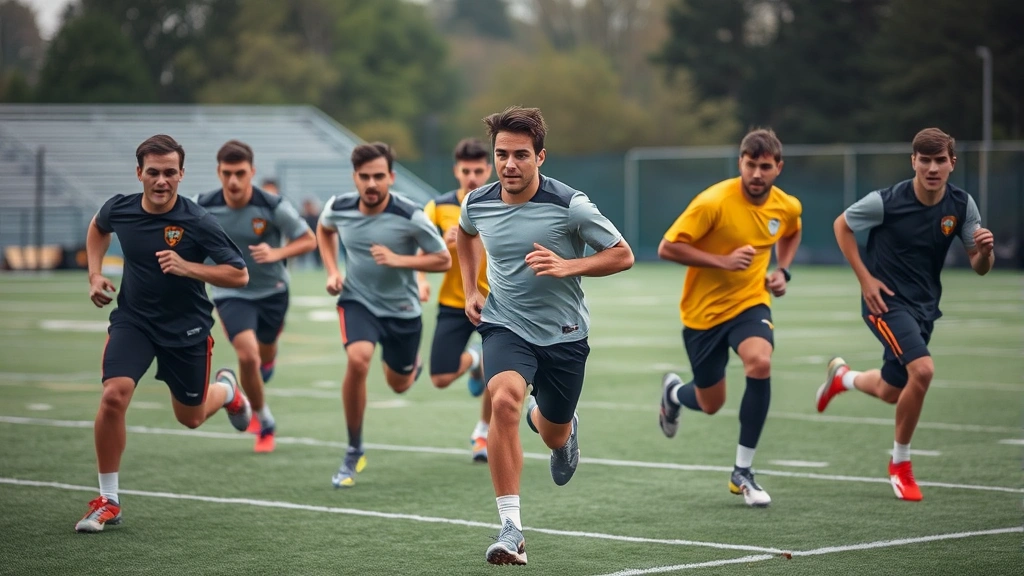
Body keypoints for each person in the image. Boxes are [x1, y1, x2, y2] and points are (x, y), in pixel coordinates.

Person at [457, 106, 634, 565]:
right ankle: (511, 528)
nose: (509, 165)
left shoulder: (570, 204)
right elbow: (464, 235)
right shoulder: (478, 201)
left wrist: (568, 265)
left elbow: (622, 255)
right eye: (501, 155)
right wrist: (469, 288)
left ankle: (563, 427)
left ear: (541, 157)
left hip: (565, 335)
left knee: (552, 434)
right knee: (502, 401)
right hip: (504, 324)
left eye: (520, 155)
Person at [76, 135, 252, 533]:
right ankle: (109, 500)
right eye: (153, 172)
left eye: (169, 172)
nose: (161, 181)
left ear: (181, 174)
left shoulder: (198, 221)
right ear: (139, 173)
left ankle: (227, 391)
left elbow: (239, 273)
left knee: (189, 418)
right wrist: (94, 272)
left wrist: (189, 267)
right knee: (113, 394)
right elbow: (98, 227)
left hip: (186, 329)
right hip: (134, 321)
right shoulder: (119, 208)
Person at [817, 127, 994, 502]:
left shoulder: (962, 206)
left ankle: (842, 378)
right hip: (885, 303)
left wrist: (985, 251)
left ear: (952, 163)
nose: (932, 167)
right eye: (925, 160)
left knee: (889, 390)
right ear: (913, 161)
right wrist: (865, 280)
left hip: (924, 307)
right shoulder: (886, 201)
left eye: (940, 160)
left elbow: (979, 266)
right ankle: (900, 465)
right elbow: (842, 225)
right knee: (923, 370)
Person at [657, 128, 802, 509]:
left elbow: (792, 231)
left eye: (765, 166)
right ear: (740, 163)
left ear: (778, 168)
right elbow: (667, 247)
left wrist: (783, 271)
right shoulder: (713, 202)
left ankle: (743, 471)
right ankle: (673, 393)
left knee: (760, 361)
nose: (757, 173)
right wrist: (722, 261)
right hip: (702, 315)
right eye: (750, 165)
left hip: (750, 304)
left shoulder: (786, 206)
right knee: (710, 403)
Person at [317, 142, 451, 488]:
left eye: (379, 176)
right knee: (358, 360)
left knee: (399, 384)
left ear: (391, 177)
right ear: (355, 178)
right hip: (357, 301)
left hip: (402, 310)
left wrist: (399, 260)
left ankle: (411, 366)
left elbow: (442, 259)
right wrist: (333, 271)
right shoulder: (339, 207)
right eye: (364, 177)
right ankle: (353, 447)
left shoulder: (411, 216)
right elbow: (324, 229)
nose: (371, 184)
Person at [195, 140, 318, 453]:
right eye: (227, 173)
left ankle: (266, 363)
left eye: (240, 173)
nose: (233, 181)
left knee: (263, 355)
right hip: (230, 291)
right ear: (218, 173)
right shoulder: (202, 205)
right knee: (247, 355)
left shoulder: (272, 206)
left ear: (252, 172)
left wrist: (277, 252)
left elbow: (308, 240)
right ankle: (265, 422)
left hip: (273, 291)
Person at [418, 137, 492, 462]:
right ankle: (473, 362)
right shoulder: (439, 206)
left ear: (488, 170)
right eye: (466, 170)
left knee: (499, 373)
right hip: (453, 302)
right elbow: (417, 243)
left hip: (497, 303)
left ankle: (483, 433)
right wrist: (439, 244)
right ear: (456, 171)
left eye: (478, 170)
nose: (472, 176)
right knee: (440, 378)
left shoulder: (502, 202)